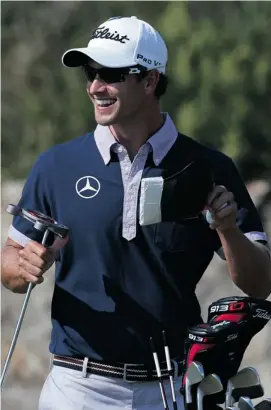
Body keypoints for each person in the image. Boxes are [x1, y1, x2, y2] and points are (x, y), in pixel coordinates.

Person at [1, 15, 271, 410]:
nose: (95, 86)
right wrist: (22, 266)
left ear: (149, 80)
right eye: (90, 74)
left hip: (171, 389)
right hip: (76, 388)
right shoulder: (56, 166)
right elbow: (9, 266)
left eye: (110, 74)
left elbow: (260, 282)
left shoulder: (209, 167)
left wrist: (228, 231)